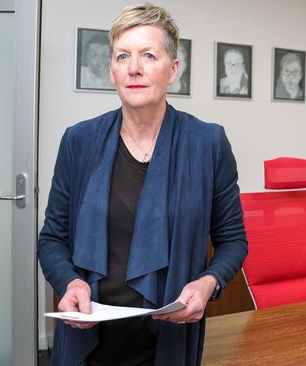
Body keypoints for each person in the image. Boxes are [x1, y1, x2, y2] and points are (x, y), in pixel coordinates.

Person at [38, 4, 248, 366]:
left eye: (149, 55)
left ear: (173, 69)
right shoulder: (79, 141)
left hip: (168, 340)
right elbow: (52, 238)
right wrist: (70, 282)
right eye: (123, 56)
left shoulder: (208, 144)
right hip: (86, 342)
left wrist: (208, 283)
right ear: (112, 70)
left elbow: (233, 240)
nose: (134, 67)